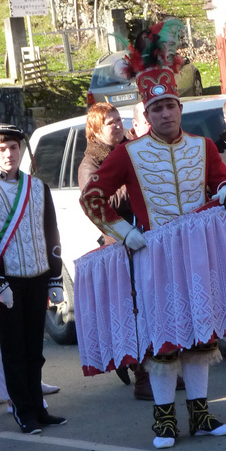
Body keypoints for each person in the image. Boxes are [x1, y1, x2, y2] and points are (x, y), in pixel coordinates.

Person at [80, 21, 226, 448]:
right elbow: (92, 197)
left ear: (179, 109)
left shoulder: (203, 146)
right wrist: (122, 231)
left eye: (171, 106)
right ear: (146, 115)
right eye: (157, 109)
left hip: (199, 256)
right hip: (153, 258)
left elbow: (222, 180)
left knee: (201, 338)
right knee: (164, 340)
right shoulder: (129, 153)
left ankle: (201, 416)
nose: (165, 114)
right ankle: (164, 421)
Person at [0, 125, 66, 433]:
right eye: (1, 149)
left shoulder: (38, 187)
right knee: (14, 351)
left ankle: (39, 409)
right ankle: (23, 411)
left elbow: (51, 232)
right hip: (7, 283)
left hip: (38, 276)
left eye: (13, 147)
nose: (9, 154)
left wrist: (55, 277)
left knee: (34, 350)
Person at [77, 103, 156, 400]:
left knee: (152, 305)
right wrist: (132, 182)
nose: (118, 124)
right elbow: (99, 202)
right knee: (133, 310)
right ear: (95, 129)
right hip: (119, 244)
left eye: (118, 119)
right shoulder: (90, 163)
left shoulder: (132, 149)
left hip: (146, 236)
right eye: (110, 122)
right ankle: (142, 377)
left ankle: (162, 369)